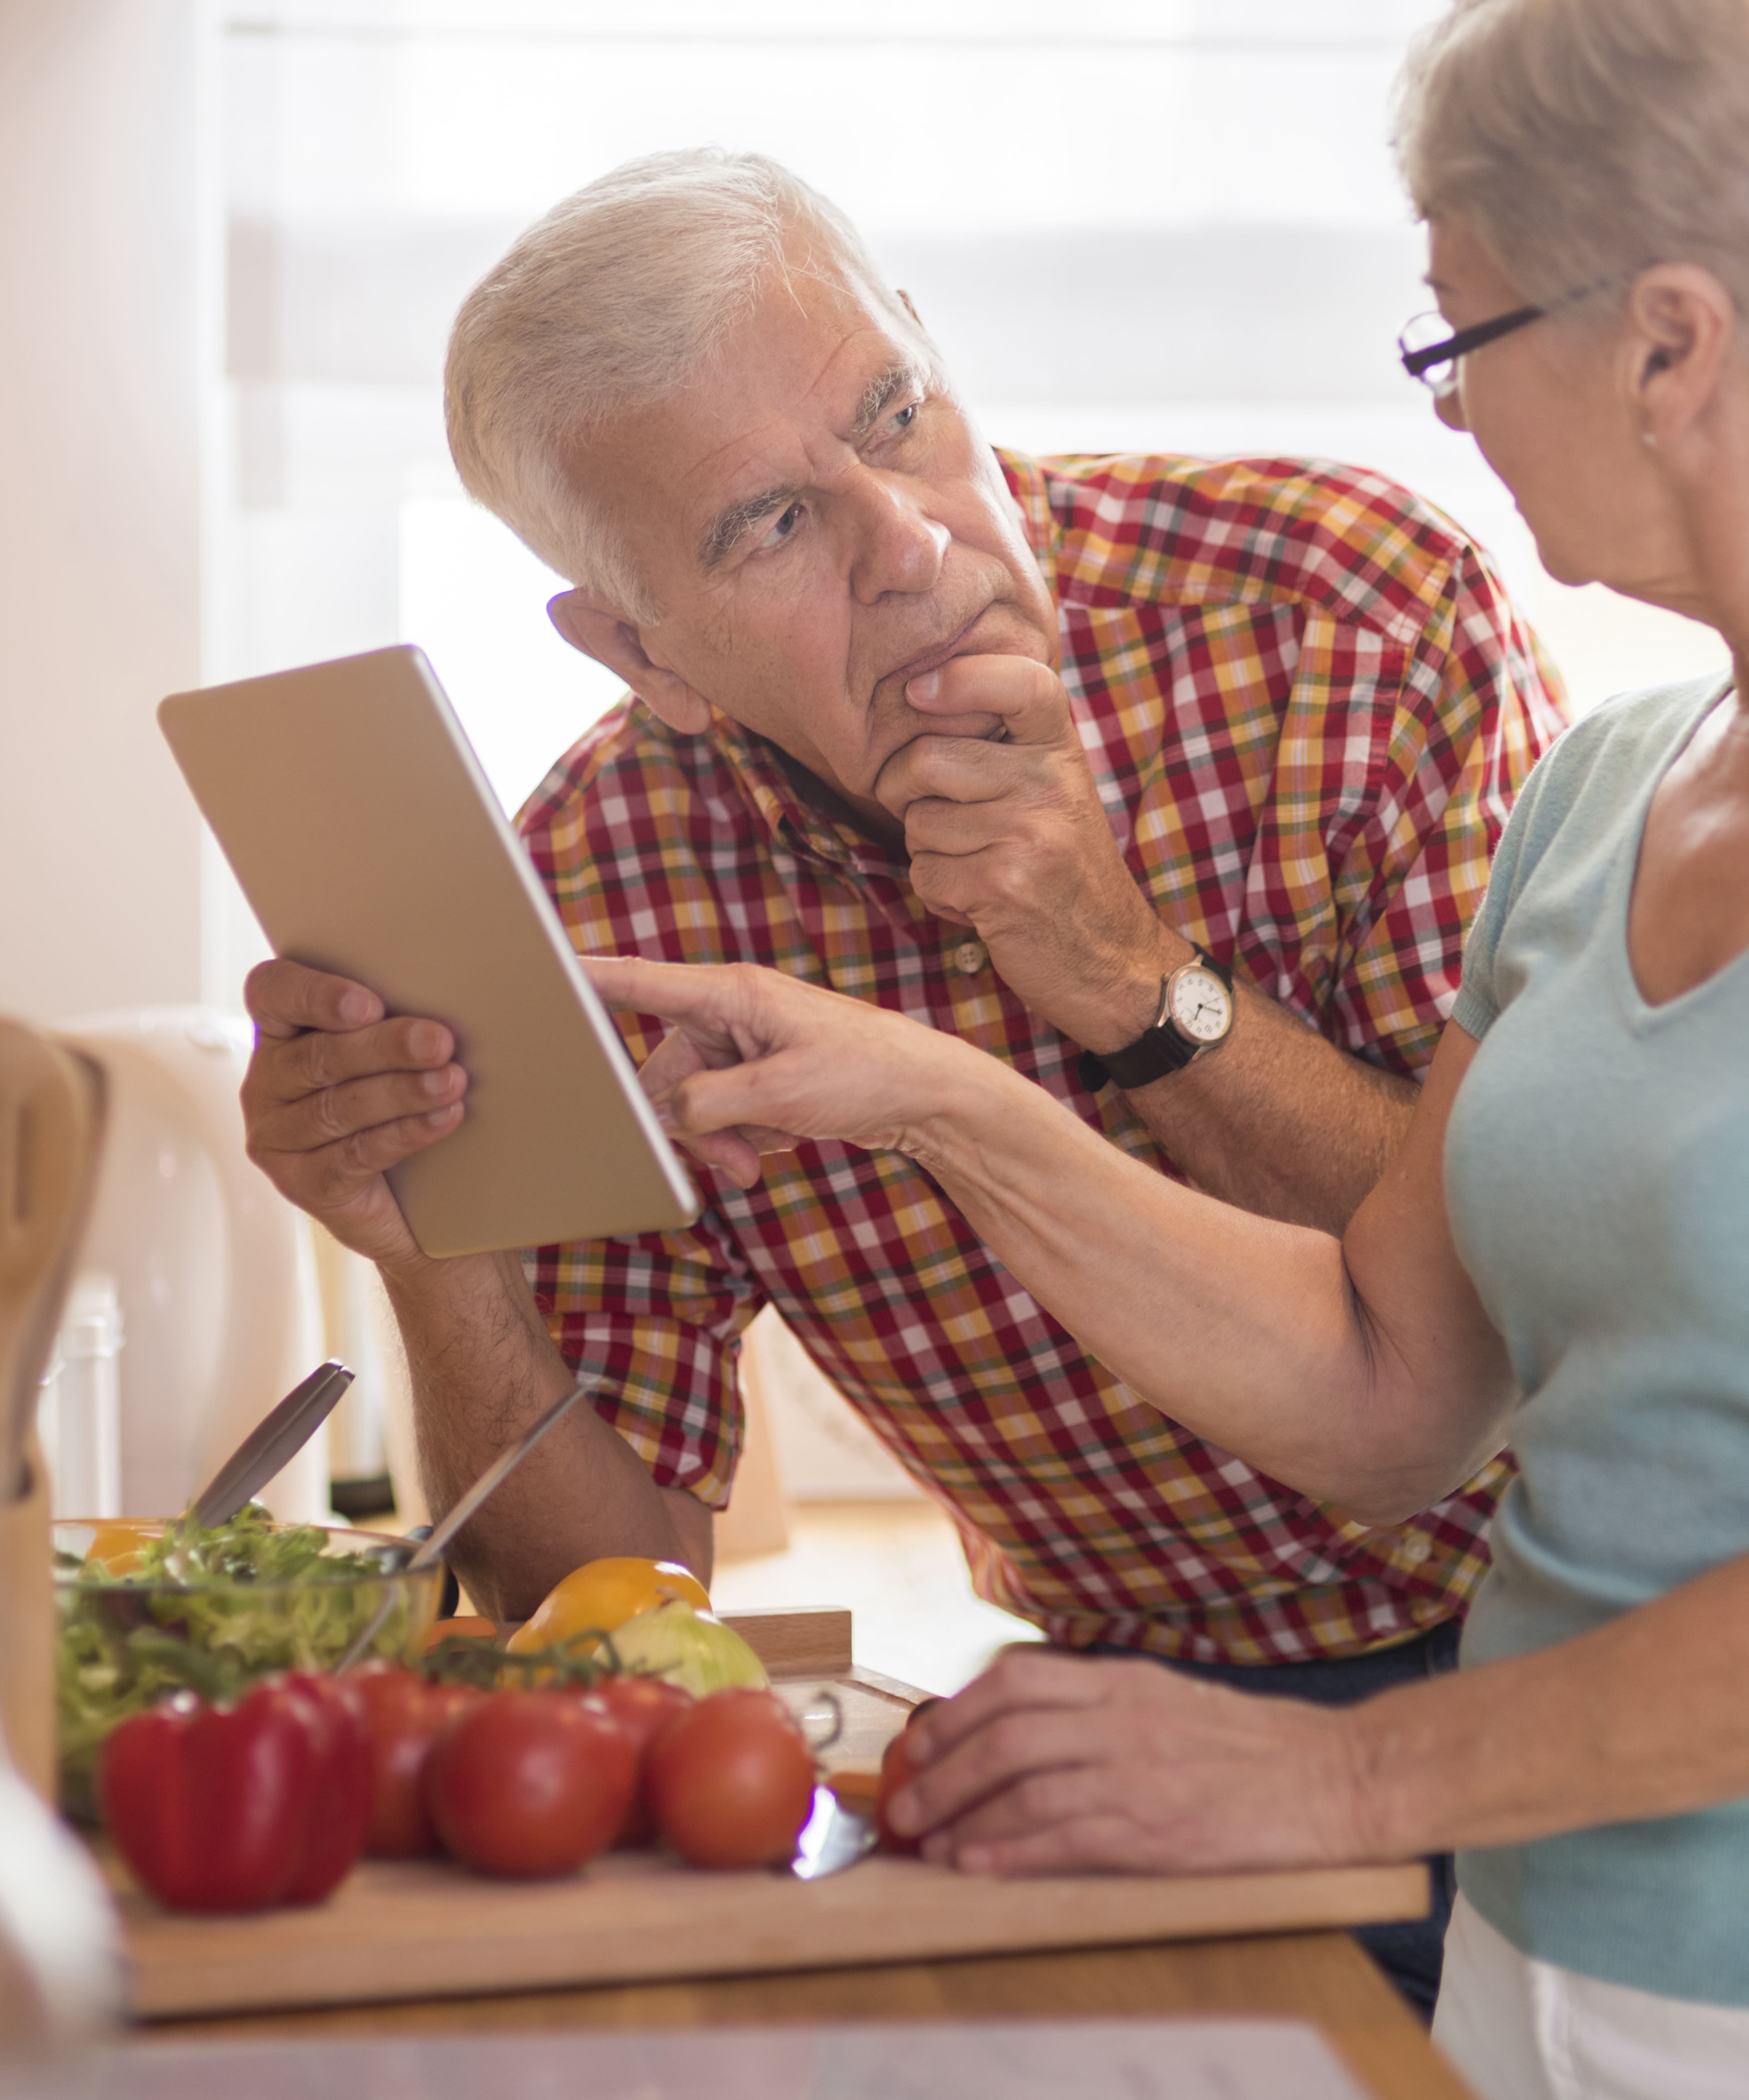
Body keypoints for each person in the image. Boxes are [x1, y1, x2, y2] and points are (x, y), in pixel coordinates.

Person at [579, 0, 1749, 2094]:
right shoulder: (1621, 786)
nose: (1441, 418)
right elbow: (1393, 1387)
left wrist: (1328, 1789)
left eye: (1459, 339)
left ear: (1669, 344)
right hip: (1551, 1961)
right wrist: (943, 1102)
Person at [235, 150, 1567, 2009]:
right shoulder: (603, 894)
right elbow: (600, 1599)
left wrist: (1119, 971)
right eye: (769, 525)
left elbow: (1525, 1309)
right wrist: (425, 1246)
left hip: (1589, 1640)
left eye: (897, 415)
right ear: (642, 652)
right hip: (1136, 1713)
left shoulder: (1346, 611)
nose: (914, 542)